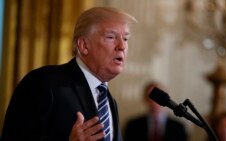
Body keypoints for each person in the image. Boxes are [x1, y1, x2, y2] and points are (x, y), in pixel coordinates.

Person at [1, 7, 136, 141]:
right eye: (111, 37)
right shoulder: (44, 82)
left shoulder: (110, 102)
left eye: (125, 39)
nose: (122, 46)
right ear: (84, 45)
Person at [124, 82, 188, 141]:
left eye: (159, 96)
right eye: (152, 97)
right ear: (145, 98)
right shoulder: (133, 126)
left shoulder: (178, 128)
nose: (155, 101)